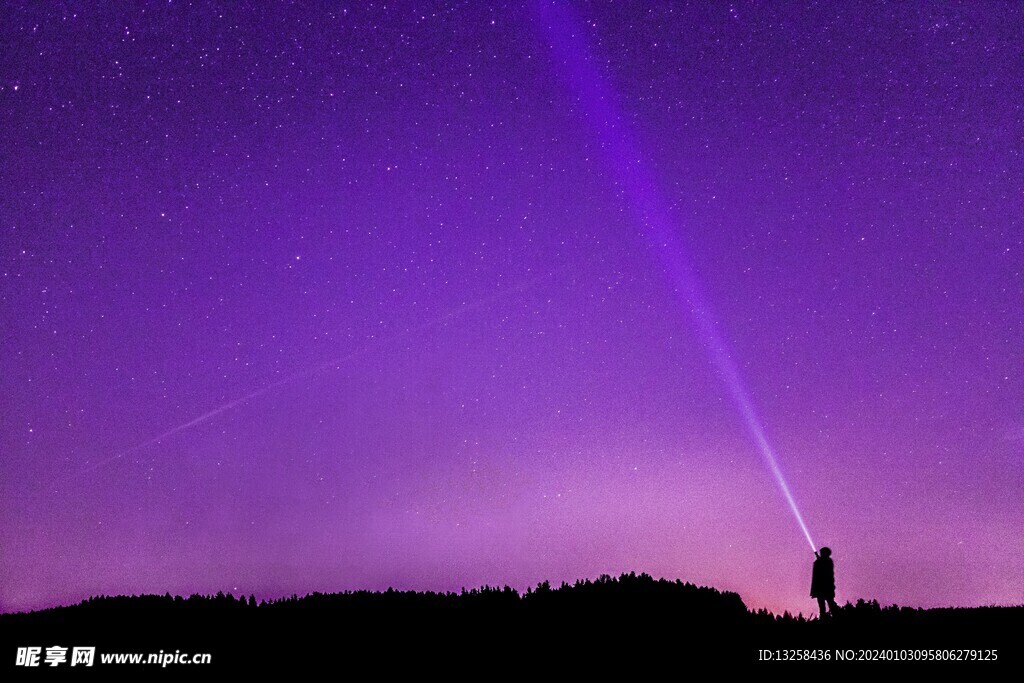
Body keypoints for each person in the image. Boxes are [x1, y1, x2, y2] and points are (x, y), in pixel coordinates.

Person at [811, 547, 838, 618]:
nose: (821, 553)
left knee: (830, 604)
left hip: (826, 587)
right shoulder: (823, 561)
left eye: (822, 552)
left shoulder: (827, 561)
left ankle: (833, 616)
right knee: (822, 606)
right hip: (820, 587)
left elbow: (826, 571)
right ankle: (824, 617)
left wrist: (819, 559)